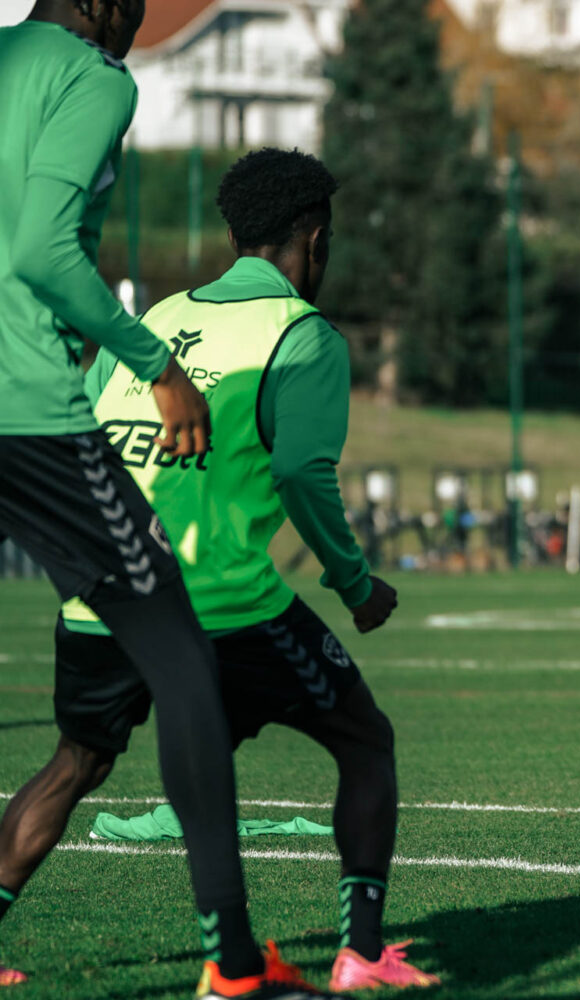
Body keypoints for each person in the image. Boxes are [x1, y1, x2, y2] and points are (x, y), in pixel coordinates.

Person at [11, 147, 438, 992]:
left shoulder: (160, 317)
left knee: (75, 762)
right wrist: (357, 585)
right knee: (364, 740)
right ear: (313, 239)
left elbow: (96, 430)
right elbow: (302, 476)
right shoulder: (303, 335)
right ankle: (360, 952)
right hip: (219, 600)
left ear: (236, 232)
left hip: (106, 593)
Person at [0, 3, 328, 995]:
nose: (145, 17)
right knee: (187, 668)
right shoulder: (96, 79)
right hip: (25, 415)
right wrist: (155, 364)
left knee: (91, 743)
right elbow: (43, 255)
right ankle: (233, 962)